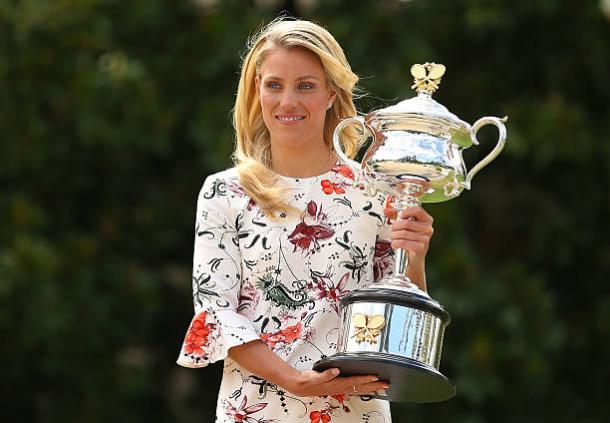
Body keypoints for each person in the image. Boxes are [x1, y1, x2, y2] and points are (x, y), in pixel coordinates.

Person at [176, 18, 434, 423]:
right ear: (256, 90)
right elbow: (217, 312)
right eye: (274, 85)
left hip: (355, 410)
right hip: (253, 411)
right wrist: (294, 380)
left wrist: (415, 258)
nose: (288, 101)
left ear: (332, 93)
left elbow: (399, 311)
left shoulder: (376, 189)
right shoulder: (223, 192)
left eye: (306, 85)